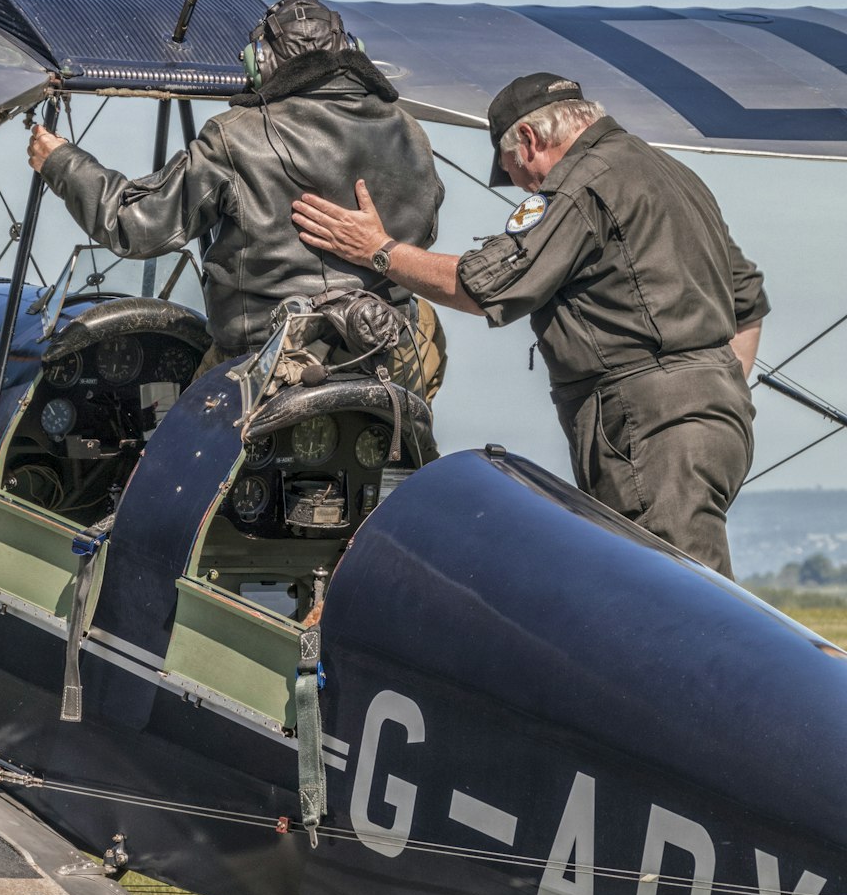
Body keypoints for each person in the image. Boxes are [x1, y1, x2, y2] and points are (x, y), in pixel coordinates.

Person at [291, 72, 769, 578]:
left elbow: (484, 286)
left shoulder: (585, 180)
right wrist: (709, 389)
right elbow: (748, 302)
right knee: (680, 592)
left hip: (653, 431)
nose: (521, 187)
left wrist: (379, 252)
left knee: (673, 607)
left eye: (513, 170)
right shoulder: (669, 173)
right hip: (718, 420)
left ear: (530, 140)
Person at [28, 0, 447, 394]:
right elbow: (426, 234)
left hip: (266, 361)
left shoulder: (235, 135)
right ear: (352, 51)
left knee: (172, 456)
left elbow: (135, 226)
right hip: (384, 352)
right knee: (426, 337)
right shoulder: (412, 132)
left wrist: (61, 161)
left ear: (260, 61)